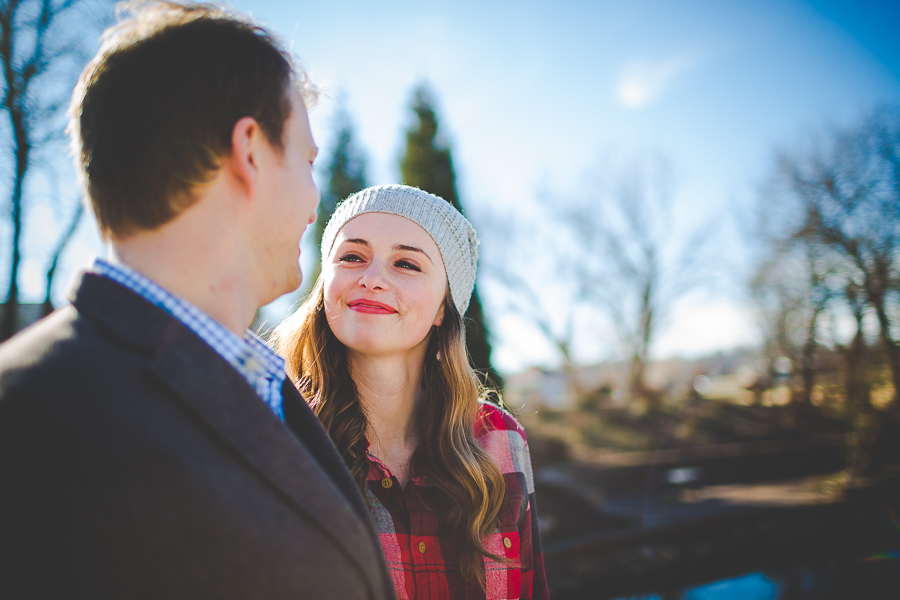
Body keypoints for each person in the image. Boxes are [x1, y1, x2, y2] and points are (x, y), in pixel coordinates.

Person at [0, 3, 396, 599]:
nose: (316, 201)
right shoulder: (28, 423)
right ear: (251, 152)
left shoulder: (262, 382)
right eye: (307, 161)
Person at [271, 184, 550, 600]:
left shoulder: (501, 440)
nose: (371, 279)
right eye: (352, 257)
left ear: (443, 307)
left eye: (406, 264)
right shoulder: (275, 434)